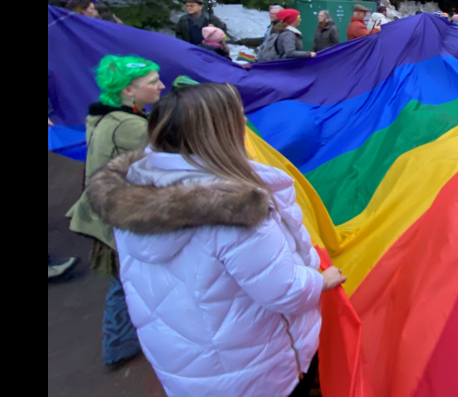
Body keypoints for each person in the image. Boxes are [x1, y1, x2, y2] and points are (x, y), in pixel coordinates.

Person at [86, 82, 347, 397]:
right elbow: (285, 291)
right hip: (256, 373)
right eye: (239, 116)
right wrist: (321, 281)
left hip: (187, 364)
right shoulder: (237, 211)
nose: (245, 123)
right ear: (221, 131)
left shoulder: (133, 191)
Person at [67, 55, 165, 365]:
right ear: (129, 91)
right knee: (125, 284)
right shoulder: (130, 126)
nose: (161, 85)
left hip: (104, 213)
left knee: (123, 282)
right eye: (152, 82)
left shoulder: (106, 116)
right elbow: (166, 158)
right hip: (117, 221)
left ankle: (121, 342)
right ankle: (119, 347)